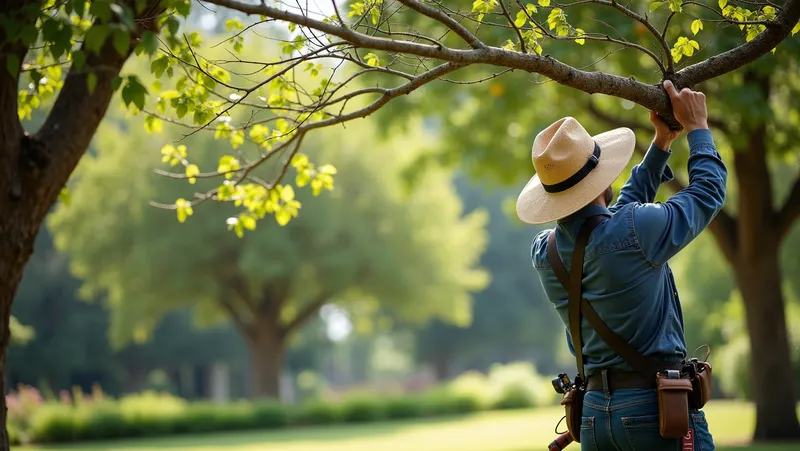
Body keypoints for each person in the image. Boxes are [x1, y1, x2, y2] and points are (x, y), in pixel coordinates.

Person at [515, 80, 726, 451]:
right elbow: (707, 192)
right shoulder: (630, 231)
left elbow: (613, 224)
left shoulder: (543, 252)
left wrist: (661, 144)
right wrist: (698, 127)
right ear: (601, 177)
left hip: (594, 415)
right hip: (655, 409)